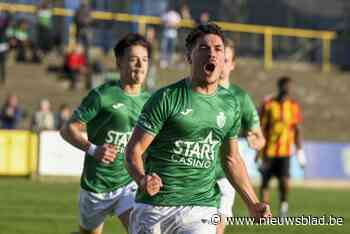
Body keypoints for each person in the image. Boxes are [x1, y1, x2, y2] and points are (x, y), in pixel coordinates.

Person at [125, 23, 271, 234]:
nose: (212, 54)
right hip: (155, 207)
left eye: (218, 49)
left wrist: (252, 202)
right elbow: (133, 151)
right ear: (189, 56)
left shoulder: (230, 103)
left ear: (224, 60)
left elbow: (231, 159)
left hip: (201, 207)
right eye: (204, 48)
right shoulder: (166, 98)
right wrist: (142, 179)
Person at [59, 33, 151, 234]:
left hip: (128, 182)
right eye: (133, 59)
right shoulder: (103, 95)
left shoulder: (151, 100)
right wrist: (94, 150)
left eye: (144, 60)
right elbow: (68, 129)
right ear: (119, 62)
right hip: (96, 186)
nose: (140, 65)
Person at [215, 39, 266, 234]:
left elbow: (259, 136)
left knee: (217, 229)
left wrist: (256, 141)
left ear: (233, 64)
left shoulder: (240, 97)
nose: (222, 65)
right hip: (194, 175)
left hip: (225, 176)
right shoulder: (196, 92)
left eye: (226, 60)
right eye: (219, 59)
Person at [257, 76, 306, 217]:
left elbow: (297, 129)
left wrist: (300, 151)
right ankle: (264, 210)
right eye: (285, 86)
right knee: (265, 182)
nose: (287, 89)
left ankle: (283, 206)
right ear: (279, 87)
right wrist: (257, 151)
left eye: (289, 87)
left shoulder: (293, 106)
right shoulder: (269, 104)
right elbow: (261, 127)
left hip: (285, 152)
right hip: (268, 151)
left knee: (284, 181)